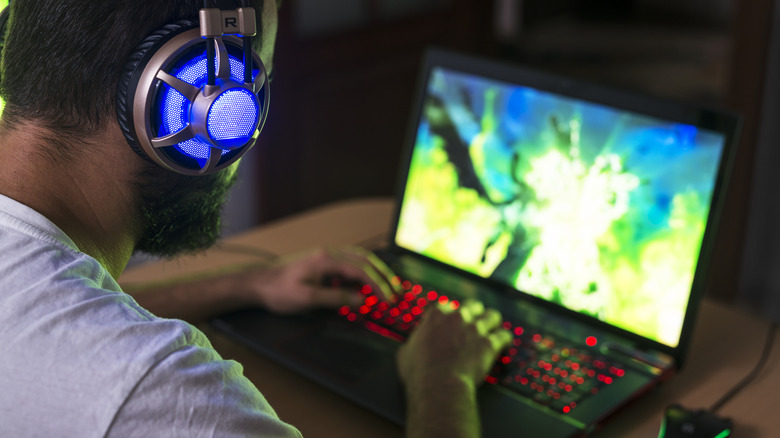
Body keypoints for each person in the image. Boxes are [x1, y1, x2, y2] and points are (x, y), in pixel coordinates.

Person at [0, 1, 513, 437]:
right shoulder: (162, 396)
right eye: (257, 81)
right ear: (203, 106)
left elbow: (52, 313)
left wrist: (251, 283)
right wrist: (444, 382)